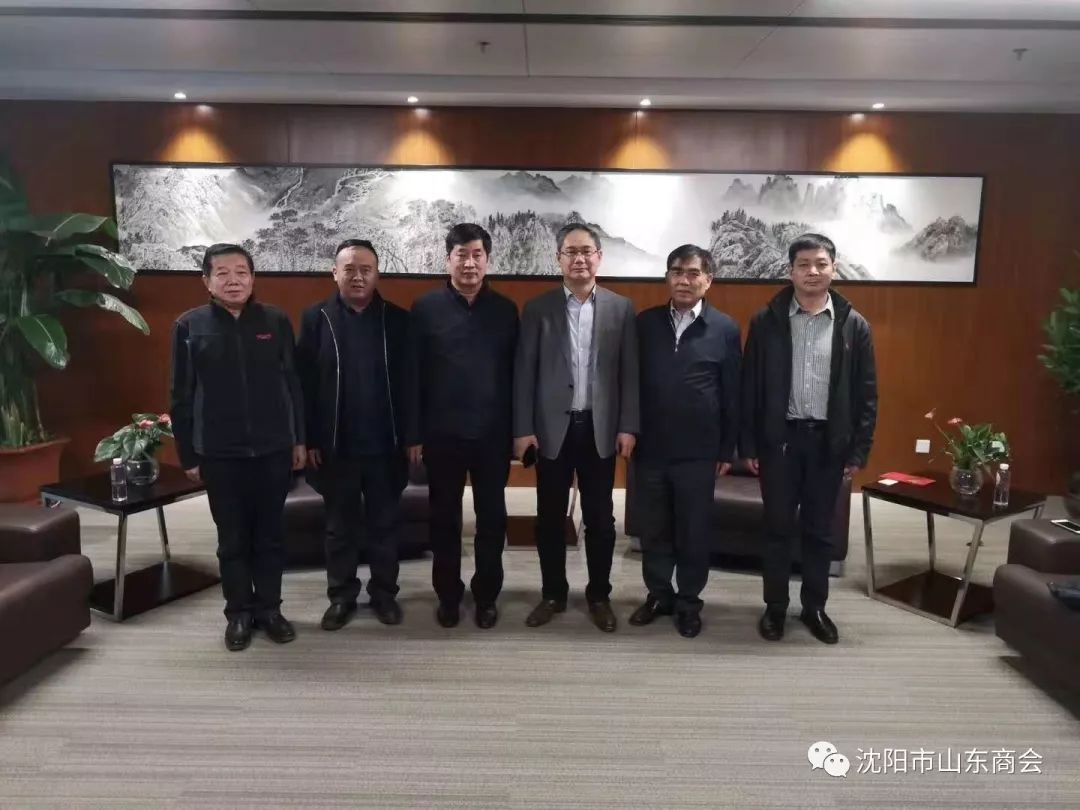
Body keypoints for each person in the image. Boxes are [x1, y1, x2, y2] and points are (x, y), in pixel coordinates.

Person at [740, 233, 878, 645]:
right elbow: (750, 387)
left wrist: (858, 450)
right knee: (777, 529)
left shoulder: (853, 325)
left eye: (821, 264)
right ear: (790, 271)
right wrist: (749, 446)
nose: (812, 272)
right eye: (803, 264)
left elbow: (867, 394)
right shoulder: (766, 322)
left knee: (819, 531)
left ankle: (815, 607)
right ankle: (775, 607)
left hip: (828, 445)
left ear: (834, 268)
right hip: (780, 443)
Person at [169, 243, 306, 651]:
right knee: (232, 539)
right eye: (223, 273)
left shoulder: (275, 320)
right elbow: (180, 395)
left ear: (252, 277)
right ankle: (239, 614)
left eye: (241, 272)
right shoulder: (189, 326)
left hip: (273, 449)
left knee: (270, 536)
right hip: (219, 453)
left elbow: (293, 383)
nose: (233, 281)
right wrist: (188, 454)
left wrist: (299, 439)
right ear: (207, 281)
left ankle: (270, 610)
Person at [513, 222, 639, 633]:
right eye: (571, 252)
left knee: (600, 518)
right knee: (549, 516)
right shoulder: (538, 308)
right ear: (559, 259)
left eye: (587, 251)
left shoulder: (621, 308)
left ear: (599, 257)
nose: (580, 259)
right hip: (552, 430)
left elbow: (629, 374)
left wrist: (628, 425)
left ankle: (599, 595)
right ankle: (553, 593)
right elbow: (524, 373)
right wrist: (523, 429)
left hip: (599, 429)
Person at [406, 223, 519, 629]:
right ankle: (448, 596)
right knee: (444, 520)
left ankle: (486, 595)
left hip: (492, 435)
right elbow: (412, 376)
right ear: (447, 259)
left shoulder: (505, 310)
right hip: (442, 435)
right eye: (461, 255)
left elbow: (515, 376)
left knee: (492, 519)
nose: (469, 263)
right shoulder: (425, 309)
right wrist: (414, 434)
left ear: (487, 260)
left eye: (477, 255)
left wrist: (518, 432)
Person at [296, 239, 410, 632]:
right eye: (349, 269)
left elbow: (411, 383)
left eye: (366, 269)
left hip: (386, 445)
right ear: (335, 273)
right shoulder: (316, 318)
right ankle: (341, 597)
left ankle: (384, 595)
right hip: (335, 447)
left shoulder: (397, 320)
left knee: (384, 527)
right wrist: (309, 438)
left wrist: (413, 436)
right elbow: (304, 383)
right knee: (339, 529)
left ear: (377, 274)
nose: (358, 276)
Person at [629, 244, 741, 638]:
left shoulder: (724, 329)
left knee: (693, 531)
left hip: (699, 451)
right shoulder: (645, 323)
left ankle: (689, 602)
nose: (684, 280)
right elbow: (630, 383)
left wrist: (727, 448)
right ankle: (659, 595)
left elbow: (732, 394)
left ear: (708, 280)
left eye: (693, 273)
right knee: (654, 528)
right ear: (667, 277)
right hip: (651, 448)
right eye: (677, 271)